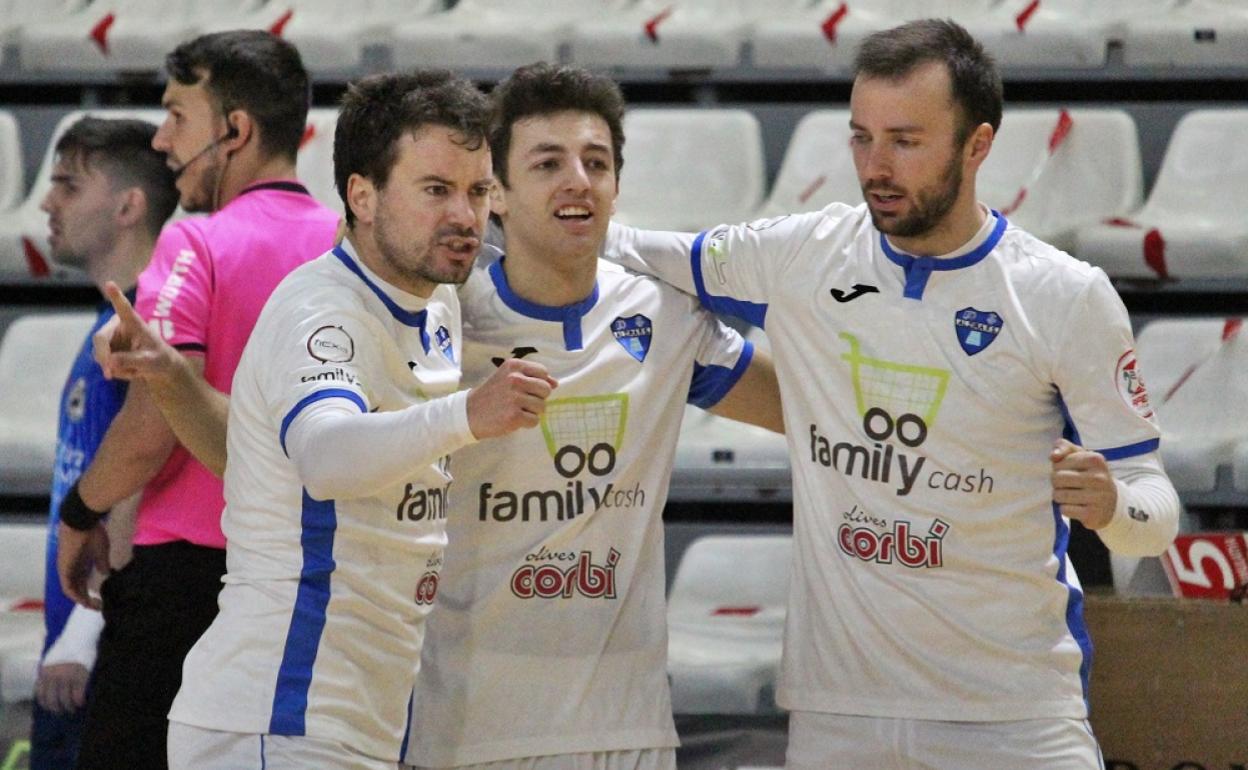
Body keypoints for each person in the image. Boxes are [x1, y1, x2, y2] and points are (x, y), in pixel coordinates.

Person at [604, 19, 1180, 770]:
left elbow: (1156, 512)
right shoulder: (807, 253)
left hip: (1015, 714)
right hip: (839, 715)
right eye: (860, 137)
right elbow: (633, 252)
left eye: (905, 141)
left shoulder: (1066, 296)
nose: (875, 166)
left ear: (977, 146)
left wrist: (1111, 507)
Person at [100, 69, 556, 769]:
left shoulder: (434, 302)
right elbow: (326, 457)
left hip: (351, 720)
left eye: (476, 190)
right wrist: (467, 413)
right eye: (435, 190)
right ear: (362, 196)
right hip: (277, 714)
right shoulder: (322, 314)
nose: (464, 215)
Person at [404, 63, 784, 770]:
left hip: (626, 731)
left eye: (596, 162)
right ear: (497, 196)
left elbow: (809, 410)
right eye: (548, 163)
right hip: (470, 732)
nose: (578, 179)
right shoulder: (442, 323)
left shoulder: (665, 314)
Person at [54, 30, 339, 770]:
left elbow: (152, 426)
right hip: (313, 584)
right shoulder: (349, 246)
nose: (161, 137)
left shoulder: (195, 243)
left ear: (234, 131)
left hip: (181, 583)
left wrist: (82, 511)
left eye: (178, 116)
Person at [30, 117, 178, 770]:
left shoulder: (156, 330)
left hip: (103, 651)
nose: (45, 202)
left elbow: (147, 482)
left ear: (128, 205)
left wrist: (83, 632)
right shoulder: (107, 324)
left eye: (67, 185)